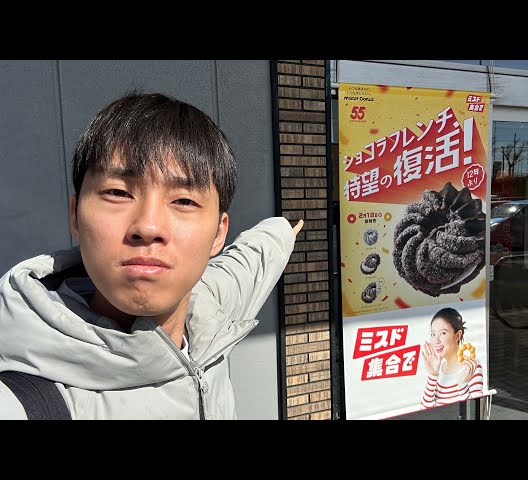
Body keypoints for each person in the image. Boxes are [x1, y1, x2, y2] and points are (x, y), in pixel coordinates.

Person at [0, 91, 303, 419]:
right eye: (118, 192)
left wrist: (284, 229)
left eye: (184, 200)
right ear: (75, 215)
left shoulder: (211, 309)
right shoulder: (26, 401)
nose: (148, 226)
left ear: (219, 233)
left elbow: (253, 259)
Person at [419, 307, 484, 410]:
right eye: (433, 334)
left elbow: (473, 410)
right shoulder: (438, 369)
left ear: (457, 336)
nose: (436, 340)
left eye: (443, 333)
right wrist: (432, 375)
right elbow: (424, 410)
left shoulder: (471, 366)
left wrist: (462, 384)